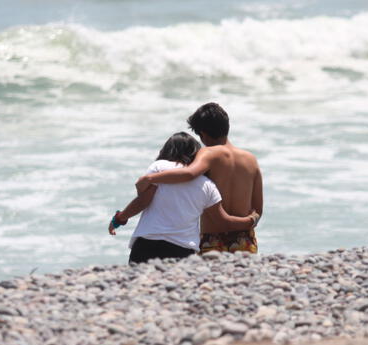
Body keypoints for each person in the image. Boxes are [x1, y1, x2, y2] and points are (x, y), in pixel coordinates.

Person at [109, 131, 259, 264]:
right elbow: (223, 221)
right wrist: (250, 220)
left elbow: (143, 201)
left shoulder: (159, 168)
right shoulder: (207, 185)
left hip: (147, 243)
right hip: (182, 250)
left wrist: (119, 219)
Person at [136, 103, 263, 254]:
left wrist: (151, 178)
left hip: (212, 240)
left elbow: (189, 174)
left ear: (203, 134)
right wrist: (251, 221)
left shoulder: (208, 153)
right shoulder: (251, 160)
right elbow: (257, 210)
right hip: (244, 239)